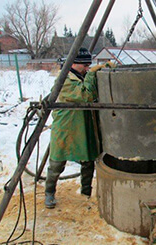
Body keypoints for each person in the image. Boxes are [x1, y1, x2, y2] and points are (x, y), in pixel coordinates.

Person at [45, 47, 107, 209]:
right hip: (66, 127)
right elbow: (85, 96)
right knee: (57, 162)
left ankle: (86, 192)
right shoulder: (64, 80)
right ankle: (49, 192)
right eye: (85, 65)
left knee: (88, 160)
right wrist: (92, 74)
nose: (87, 68)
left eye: (89, 65)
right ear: (73, 63)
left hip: (84, 125)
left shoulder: (81, 76)